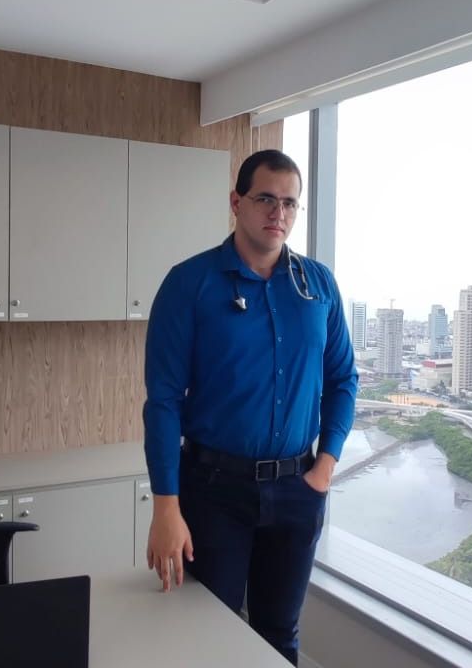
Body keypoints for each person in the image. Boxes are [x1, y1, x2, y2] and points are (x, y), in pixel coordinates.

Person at [143, 149, 358, 665]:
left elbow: (343, 379)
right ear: (236, 202)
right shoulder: (189, 283)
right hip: (214, 492)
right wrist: (165, 507)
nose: (278, 213)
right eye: (265, 199)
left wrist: (325, 467)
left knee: (279, 638)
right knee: (208, 638)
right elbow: (163, 402)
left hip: (297, 489)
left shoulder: (319, 285)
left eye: (290, 203)